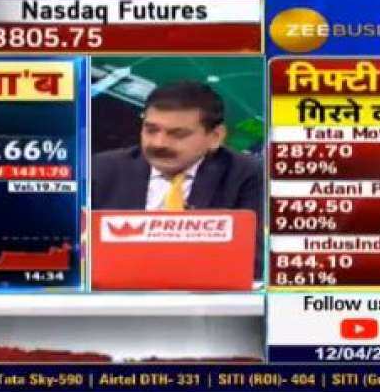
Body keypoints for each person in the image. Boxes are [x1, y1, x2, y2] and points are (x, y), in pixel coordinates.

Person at [92, 80, 263, 277]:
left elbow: (254, 262)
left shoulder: (247, 176)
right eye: (151, 130)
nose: (159, 143)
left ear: (215, 137)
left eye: (178, 134)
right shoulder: (102, 170)